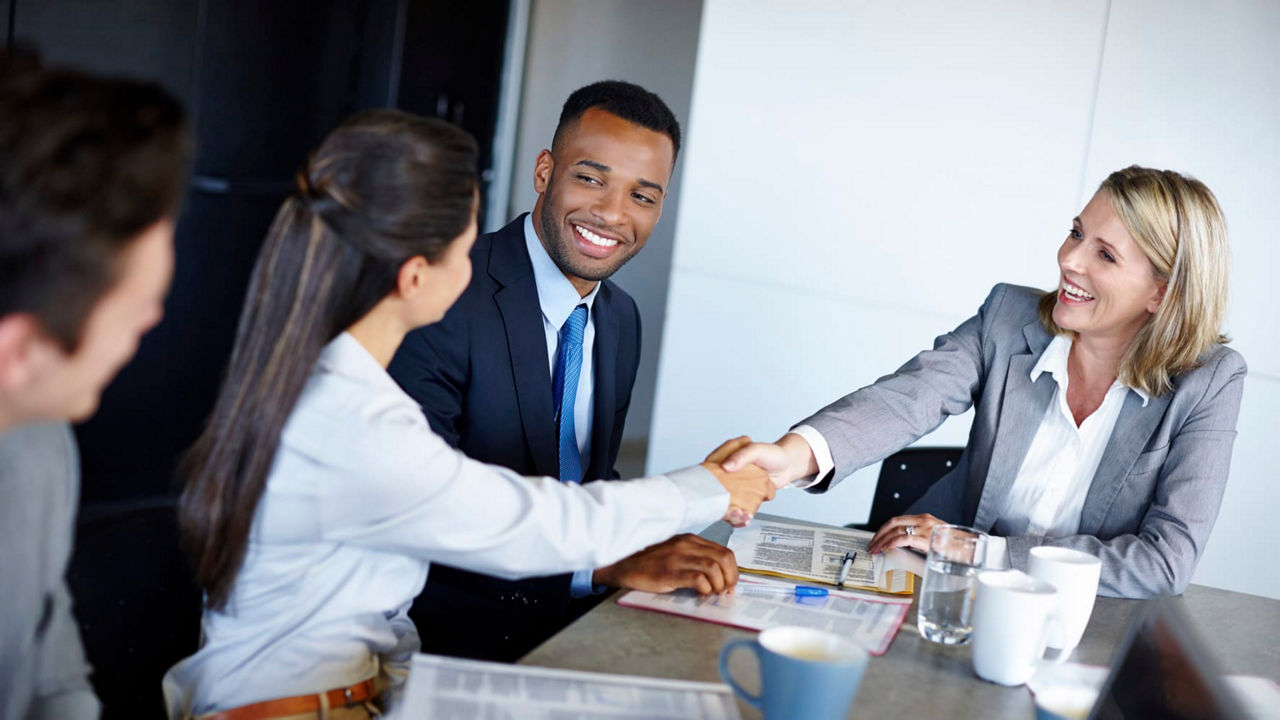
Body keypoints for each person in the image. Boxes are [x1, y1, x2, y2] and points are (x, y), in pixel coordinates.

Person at [165, 109, 771, 719]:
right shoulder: (358, 425)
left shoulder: (340, 385)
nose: (476, 264)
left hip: (372, 687)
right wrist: (711, 488)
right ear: (415, 276)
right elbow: (521, 523)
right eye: (465, 246)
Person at [722, 166, 1243, 599]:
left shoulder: (1210, 382)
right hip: (942, 594)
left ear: (1161, 293)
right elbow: (909, 397)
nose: (1069, 259)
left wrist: (979, 550)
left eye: (1105, 255)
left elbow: (1166, 561)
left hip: (1085, 621)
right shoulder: (1008, 316)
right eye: (1077, 232)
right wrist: (794, 456)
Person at [388, 80, 734, 662]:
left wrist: (661, 538)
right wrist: (600, 564)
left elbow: (585, 483)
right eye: (591, 179)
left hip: (571, 633)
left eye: (642, 197)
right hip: (442, 643)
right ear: (545, 171)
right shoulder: (445, 293)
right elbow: (422, 513)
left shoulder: (620, 319)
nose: (612, 214)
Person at [0, 53, 189, 719]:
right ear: (19, 352)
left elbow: (50, 669)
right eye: (136, 307)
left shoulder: (40, 438)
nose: (152, 320)